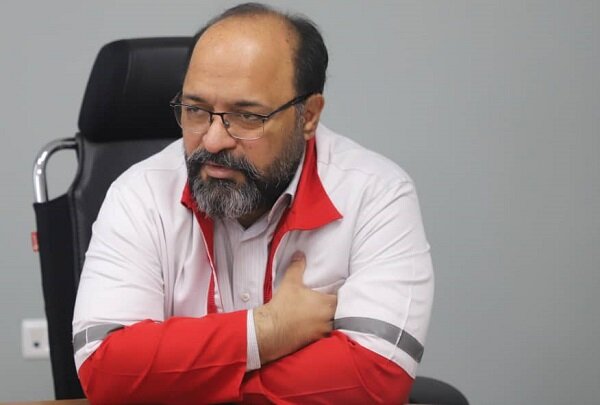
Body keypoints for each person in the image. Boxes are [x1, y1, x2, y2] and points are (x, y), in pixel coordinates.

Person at [72, 2, 434, 404]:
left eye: (247, 117)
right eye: (196, 110)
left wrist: (184, 382)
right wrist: (267, 330)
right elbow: (106, 369)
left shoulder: (376, 194)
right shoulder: (139, 194)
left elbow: (374, 378)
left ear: (308, 116)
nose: (213, 140)